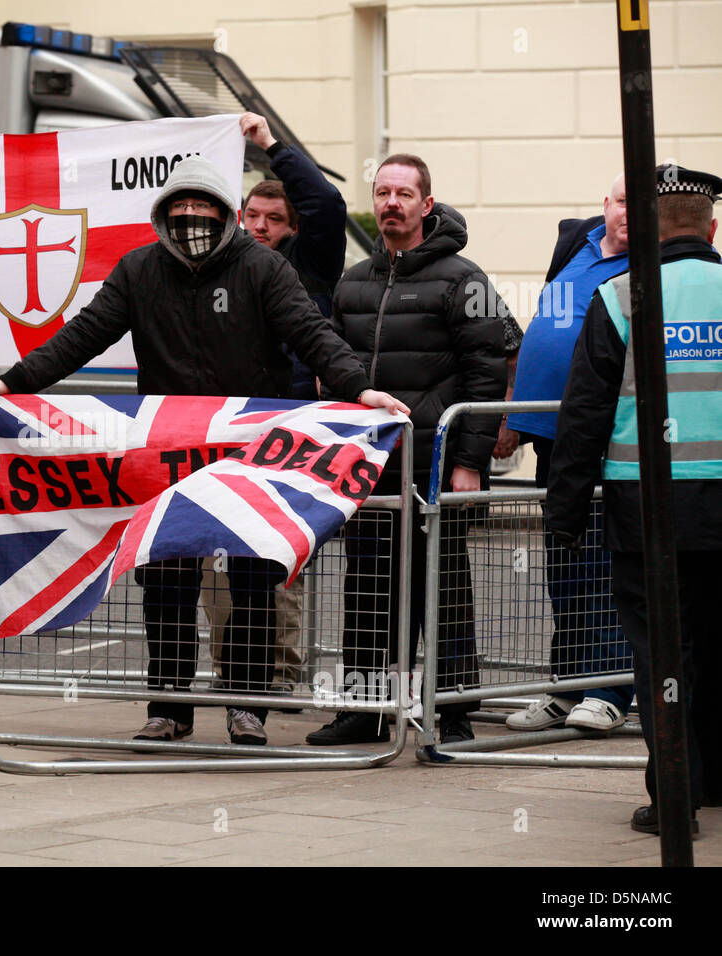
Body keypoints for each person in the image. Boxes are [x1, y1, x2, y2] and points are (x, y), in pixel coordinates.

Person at [0, 154, 408, 747]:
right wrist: (14, 382)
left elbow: (313, 333)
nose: (192, 219)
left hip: (251, 453)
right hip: (167, 452)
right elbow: (82, 336)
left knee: (254, 583)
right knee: (166, 581)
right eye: (181, 210)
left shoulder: (263, 268)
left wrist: (360, 388)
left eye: (203, 209)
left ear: (224, 214)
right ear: (163, 217)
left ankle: (246, 708)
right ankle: (169, 709)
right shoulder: (137, 271)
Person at [308, 153, 511, 746]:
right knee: (368, 586)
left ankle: (452, 711)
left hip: (436, 464)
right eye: (382, 192)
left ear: (427, 205)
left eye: (404, 193)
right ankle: (365, 710)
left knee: (442, 588)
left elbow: (485, 375)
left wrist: (470, 464)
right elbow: (335, 368)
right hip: (369, 466)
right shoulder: (352, 282)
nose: (391, 203)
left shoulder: (464, 279)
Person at [545, 164, 722, 834]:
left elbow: (584, 414)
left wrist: (562, 513)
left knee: (662, 655)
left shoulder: (621, 296)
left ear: (645, 224)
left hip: (646, 509)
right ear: (712, 227)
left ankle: (676, 799)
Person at [202, 114, 351, 702]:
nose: (260, 227)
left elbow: (328, 204)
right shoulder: (220, 261)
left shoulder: (307, 265)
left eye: (274, 219)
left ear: (291, 228)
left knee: (271, 557)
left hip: (286, 430)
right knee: (216, 559)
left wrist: (268, 146)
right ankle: (230, 673)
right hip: (221, 427)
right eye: (251, 216)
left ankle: (276, 676)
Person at [503, 175, 635, 733]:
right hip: (550, 435)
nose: (631, 212)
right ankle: (566, 686)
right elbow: (543, 336)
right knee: (564, 566)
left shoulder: (649, 269)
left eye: (643, 204)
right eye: (624, 200)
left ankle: (608, 689)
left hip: (605, 435)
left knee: (605, 564)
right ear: (604, 205)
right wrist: (512, 416)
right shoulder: (576, 248)